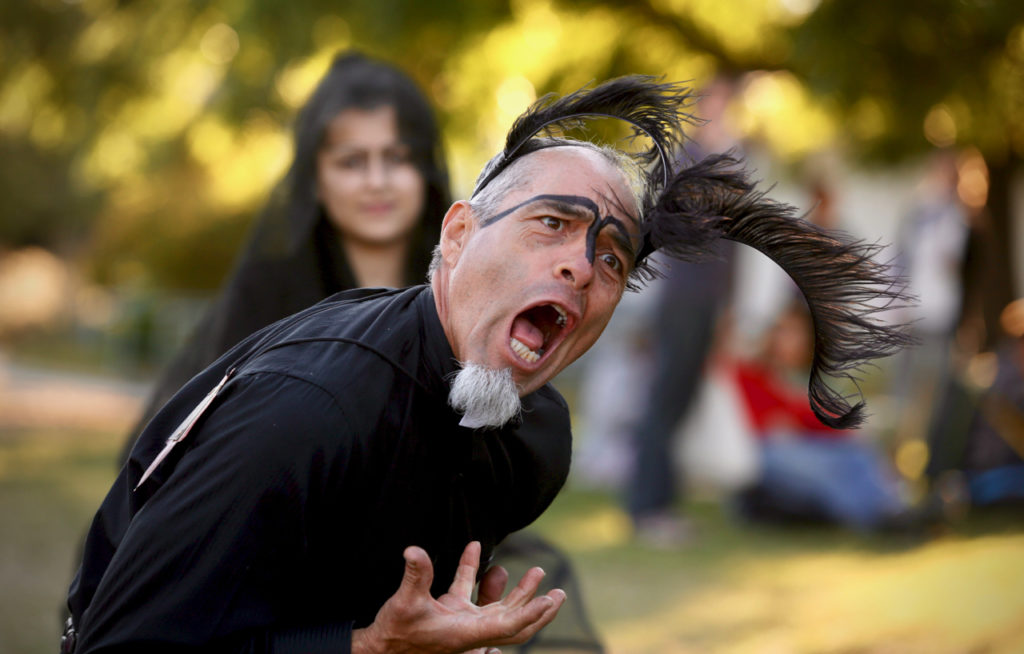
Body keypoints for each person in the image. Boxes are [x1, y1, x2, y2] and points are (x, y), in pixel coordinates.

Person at [64, 76, 912, 653]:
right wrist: (365, 645)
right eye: (551, 222)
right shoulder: (305, 410)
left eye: (612, 258)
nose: (581, 265)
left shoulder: (533, 440)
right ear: (459, 234)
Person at [731, 299, 914, 532]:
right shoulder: (750, 374)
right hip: (764, 452)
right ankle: (876, 519)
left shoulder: (812, 379)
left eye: (796, 333)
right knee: (830, 467)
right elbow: (754, 423)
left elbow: (829, 421)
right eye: (783, 331)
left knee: (855, 451)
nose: (788, 340)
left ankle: (894, 509)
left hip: (804, 446)